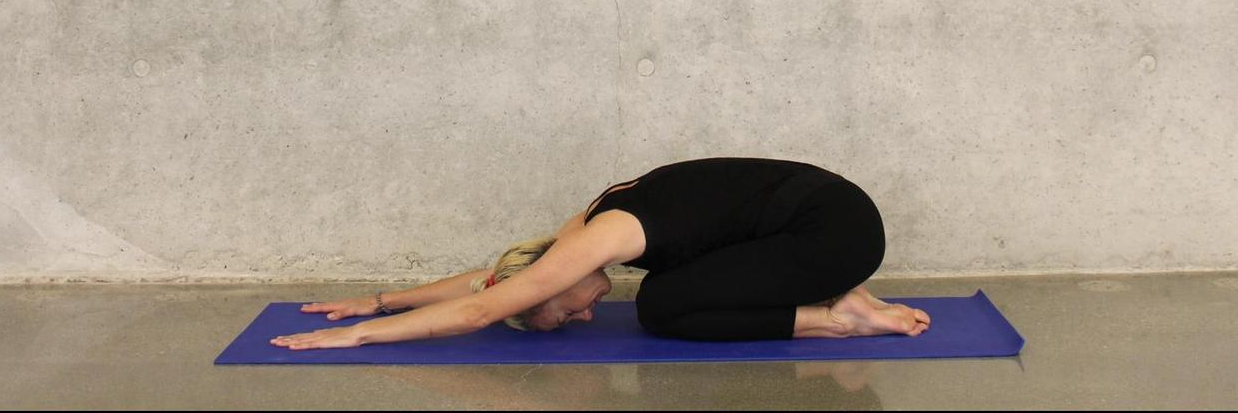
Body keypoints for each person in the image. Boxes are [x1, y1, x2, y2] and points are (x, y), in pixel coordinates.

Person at [270, 157, 930, 350]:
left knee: (663, 307)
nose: (582, 317)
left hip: (835, 235)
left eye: (558, 315)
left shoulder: (604, 239)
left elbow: (482, 310)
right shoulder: (581, 231)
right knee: (677, 279)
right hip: (828, 216)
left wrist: (360, 337)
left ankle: (837, 314)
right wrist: (386, 297)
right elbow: (496, 282)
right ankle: (833, 293)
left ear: (555, 283)